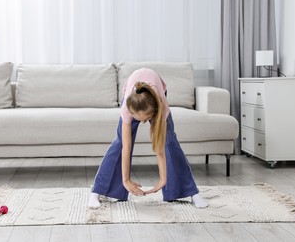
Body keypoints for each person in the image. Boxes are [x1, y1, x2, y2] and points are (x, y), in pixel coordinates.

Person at [88, 68, 208, 208]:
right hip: (134, 96)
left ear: (153, 113)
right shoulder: (128, 107)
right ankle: (97, 192)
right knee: (120, 143)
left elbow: (159, 146)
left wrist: (163, 178)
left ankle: (192, 193)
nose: (143, 122)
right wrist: (125, 180)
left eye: (146, 119)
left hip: (156, 97)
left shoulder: (161, 108)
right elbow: (126, 147)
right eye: (137, 118)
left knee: (169, 143)